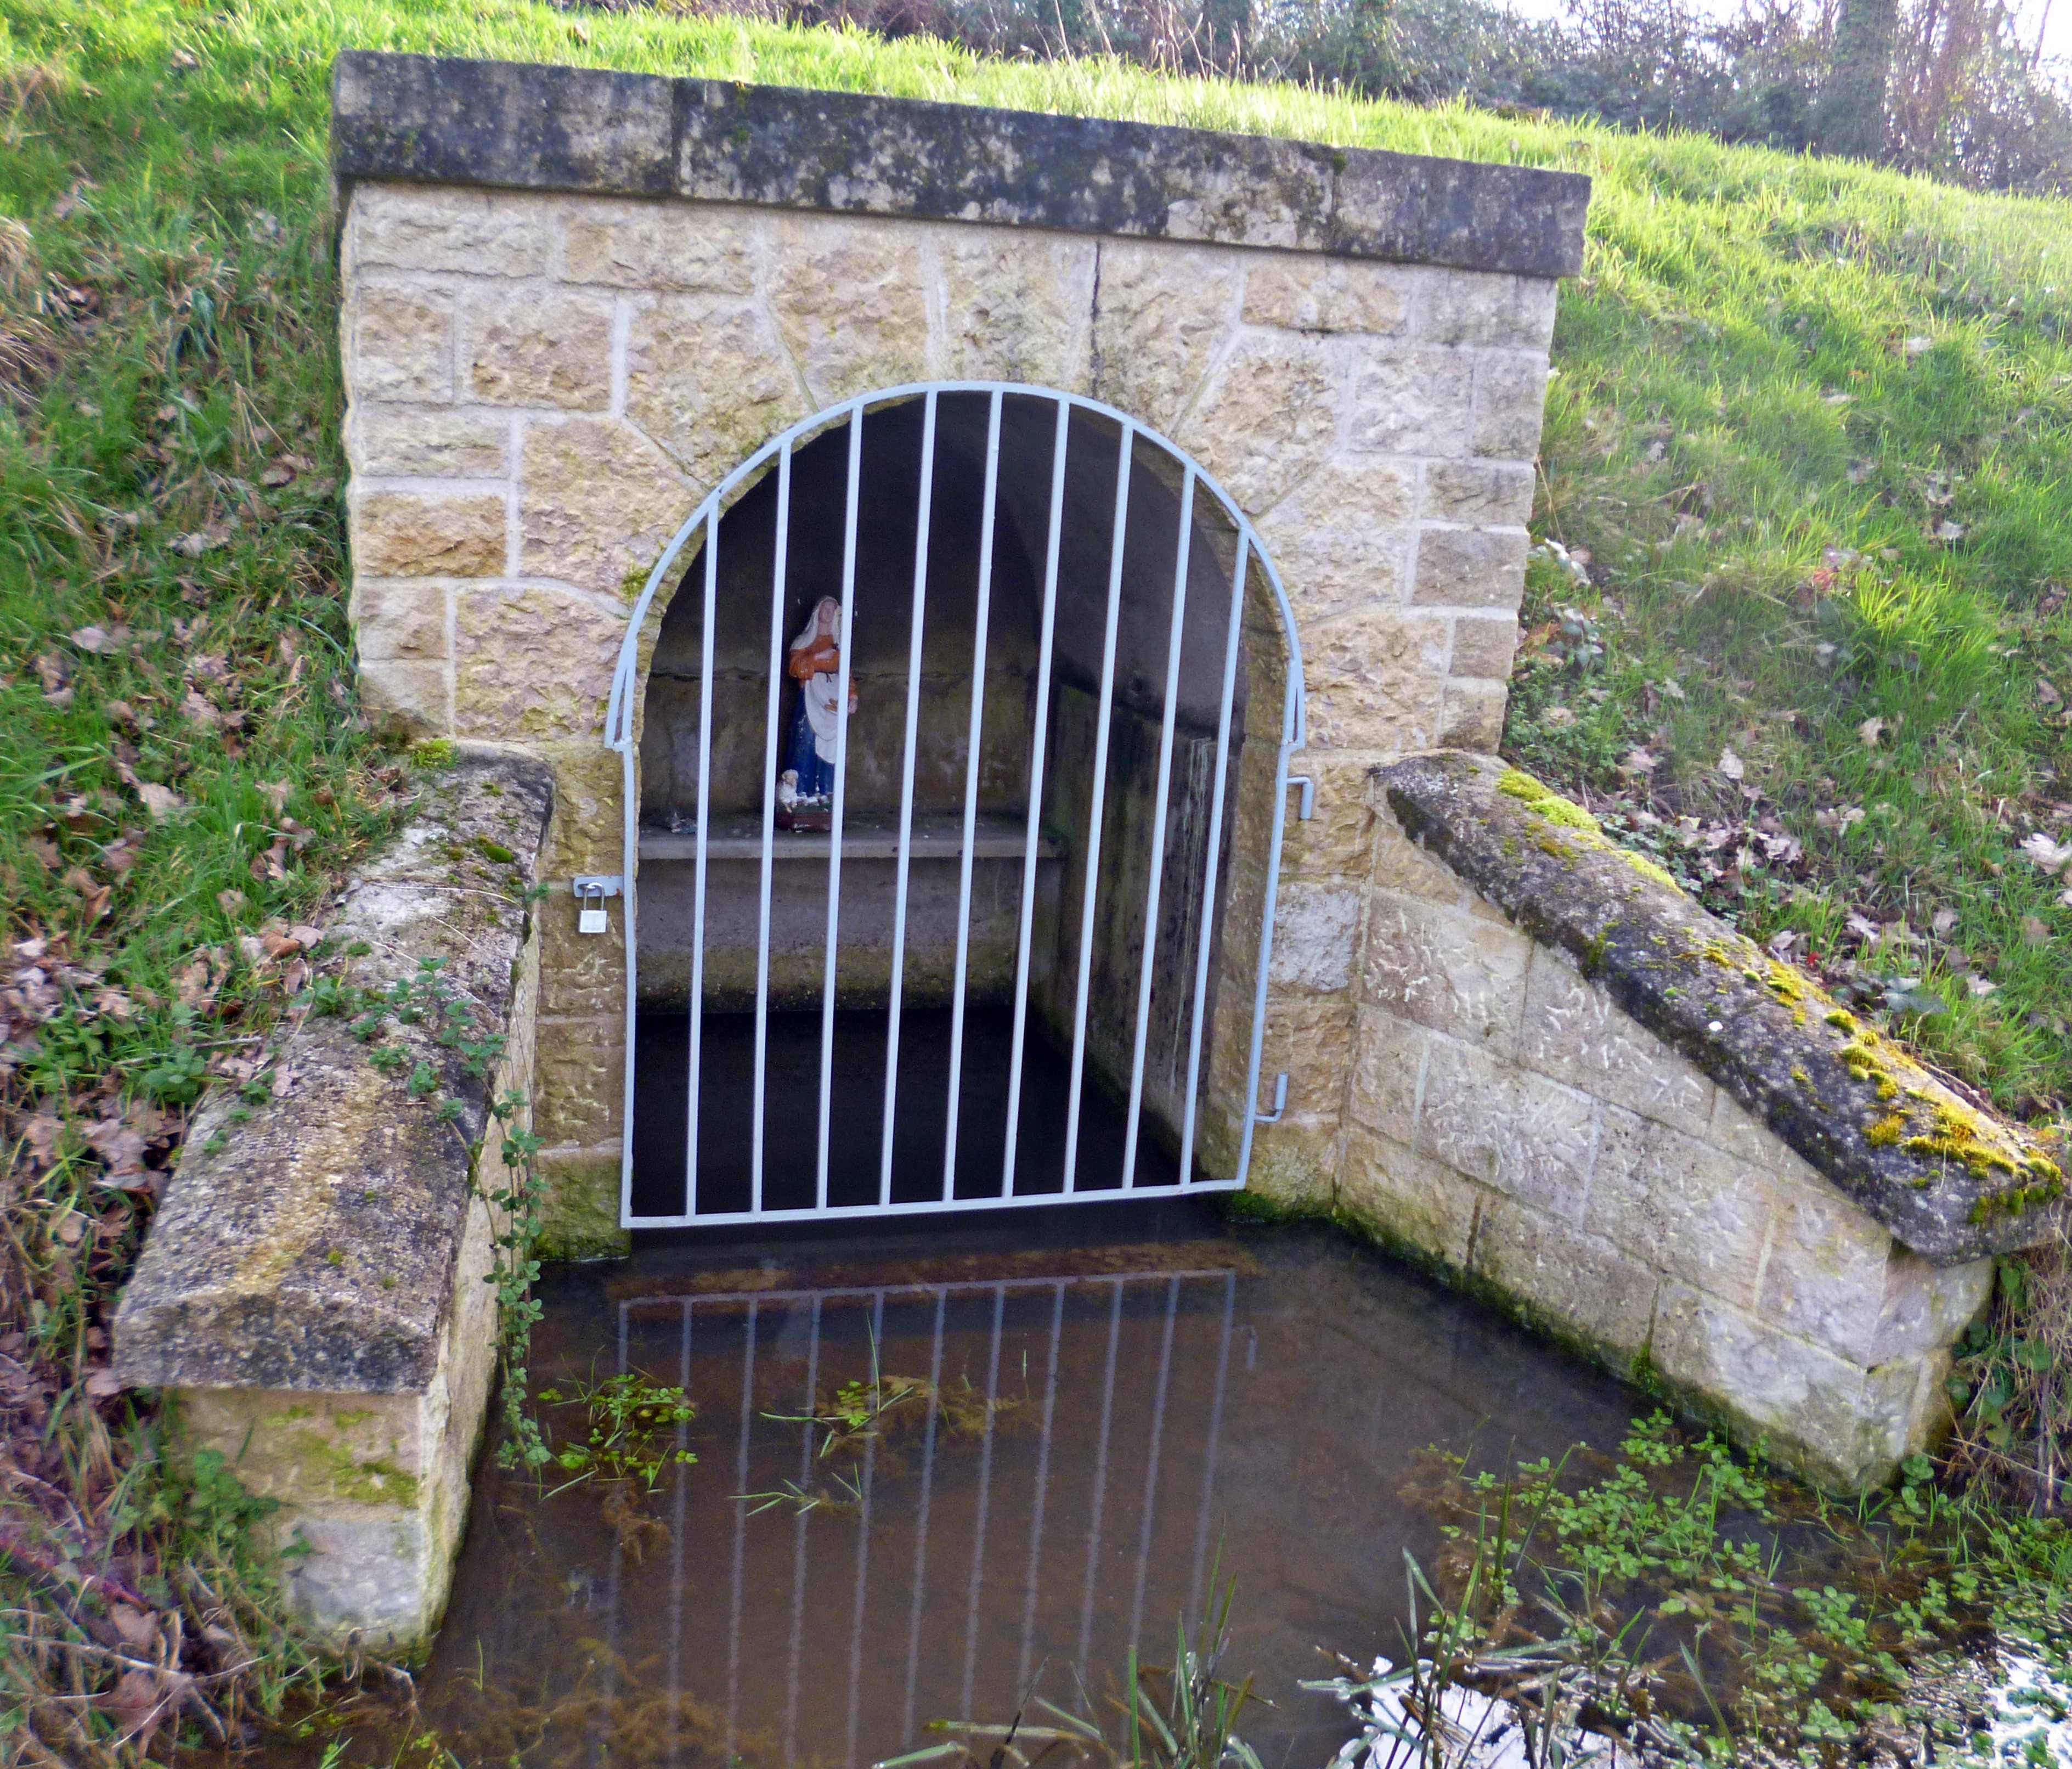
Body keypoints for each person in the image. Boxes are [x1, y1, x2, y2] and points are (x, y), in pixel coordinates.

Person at [780, 596, 854, 828]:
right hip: (810, 697)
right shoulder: (804, 641)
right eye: (826, 608)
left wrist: (853, 696)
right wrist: (817, 658)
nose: (829, 613)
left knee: (830, 747)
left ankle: (825, 793)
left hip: (832, 700)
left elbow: (846, 672)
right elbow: (795, 668)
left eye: (833, 610)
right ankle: (801, 792)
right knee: (805, 741)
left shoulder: (839, 643)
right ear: (817, 612)